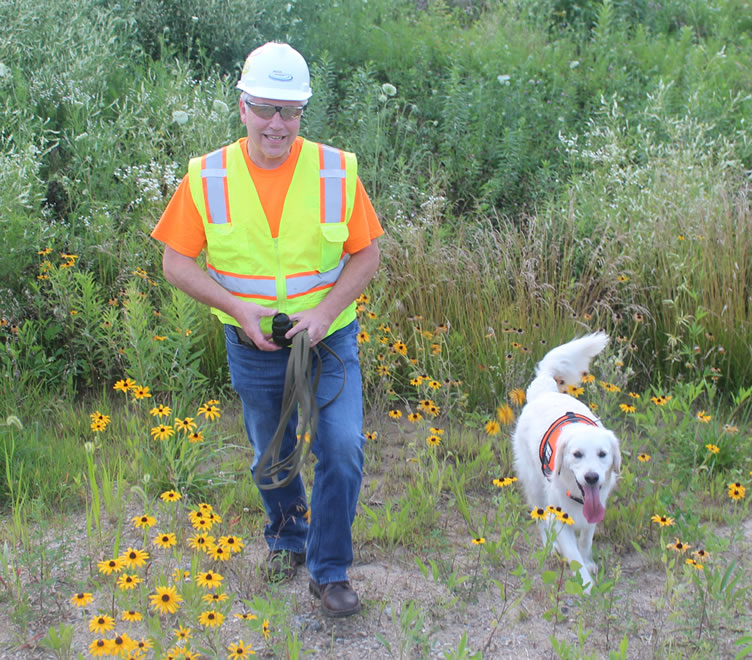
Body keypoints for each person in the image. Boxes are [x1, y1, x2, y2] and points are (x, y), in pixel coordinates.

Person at [151, 41, 382, 617]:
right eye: (265, 108)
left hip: (328, 340)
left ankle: (328, 572)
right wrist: (237, 309)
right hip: (253, 344)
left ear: (302, 112)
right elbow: (175, 262)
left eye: (291, 110)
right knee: (271, 457)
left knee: (343, 448)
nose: (277, 124)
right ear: (243, 107)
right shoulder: (207, 175)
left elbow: (366, 256)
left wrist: (324, 315)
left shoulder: (336, 168)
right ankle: (286, 536)